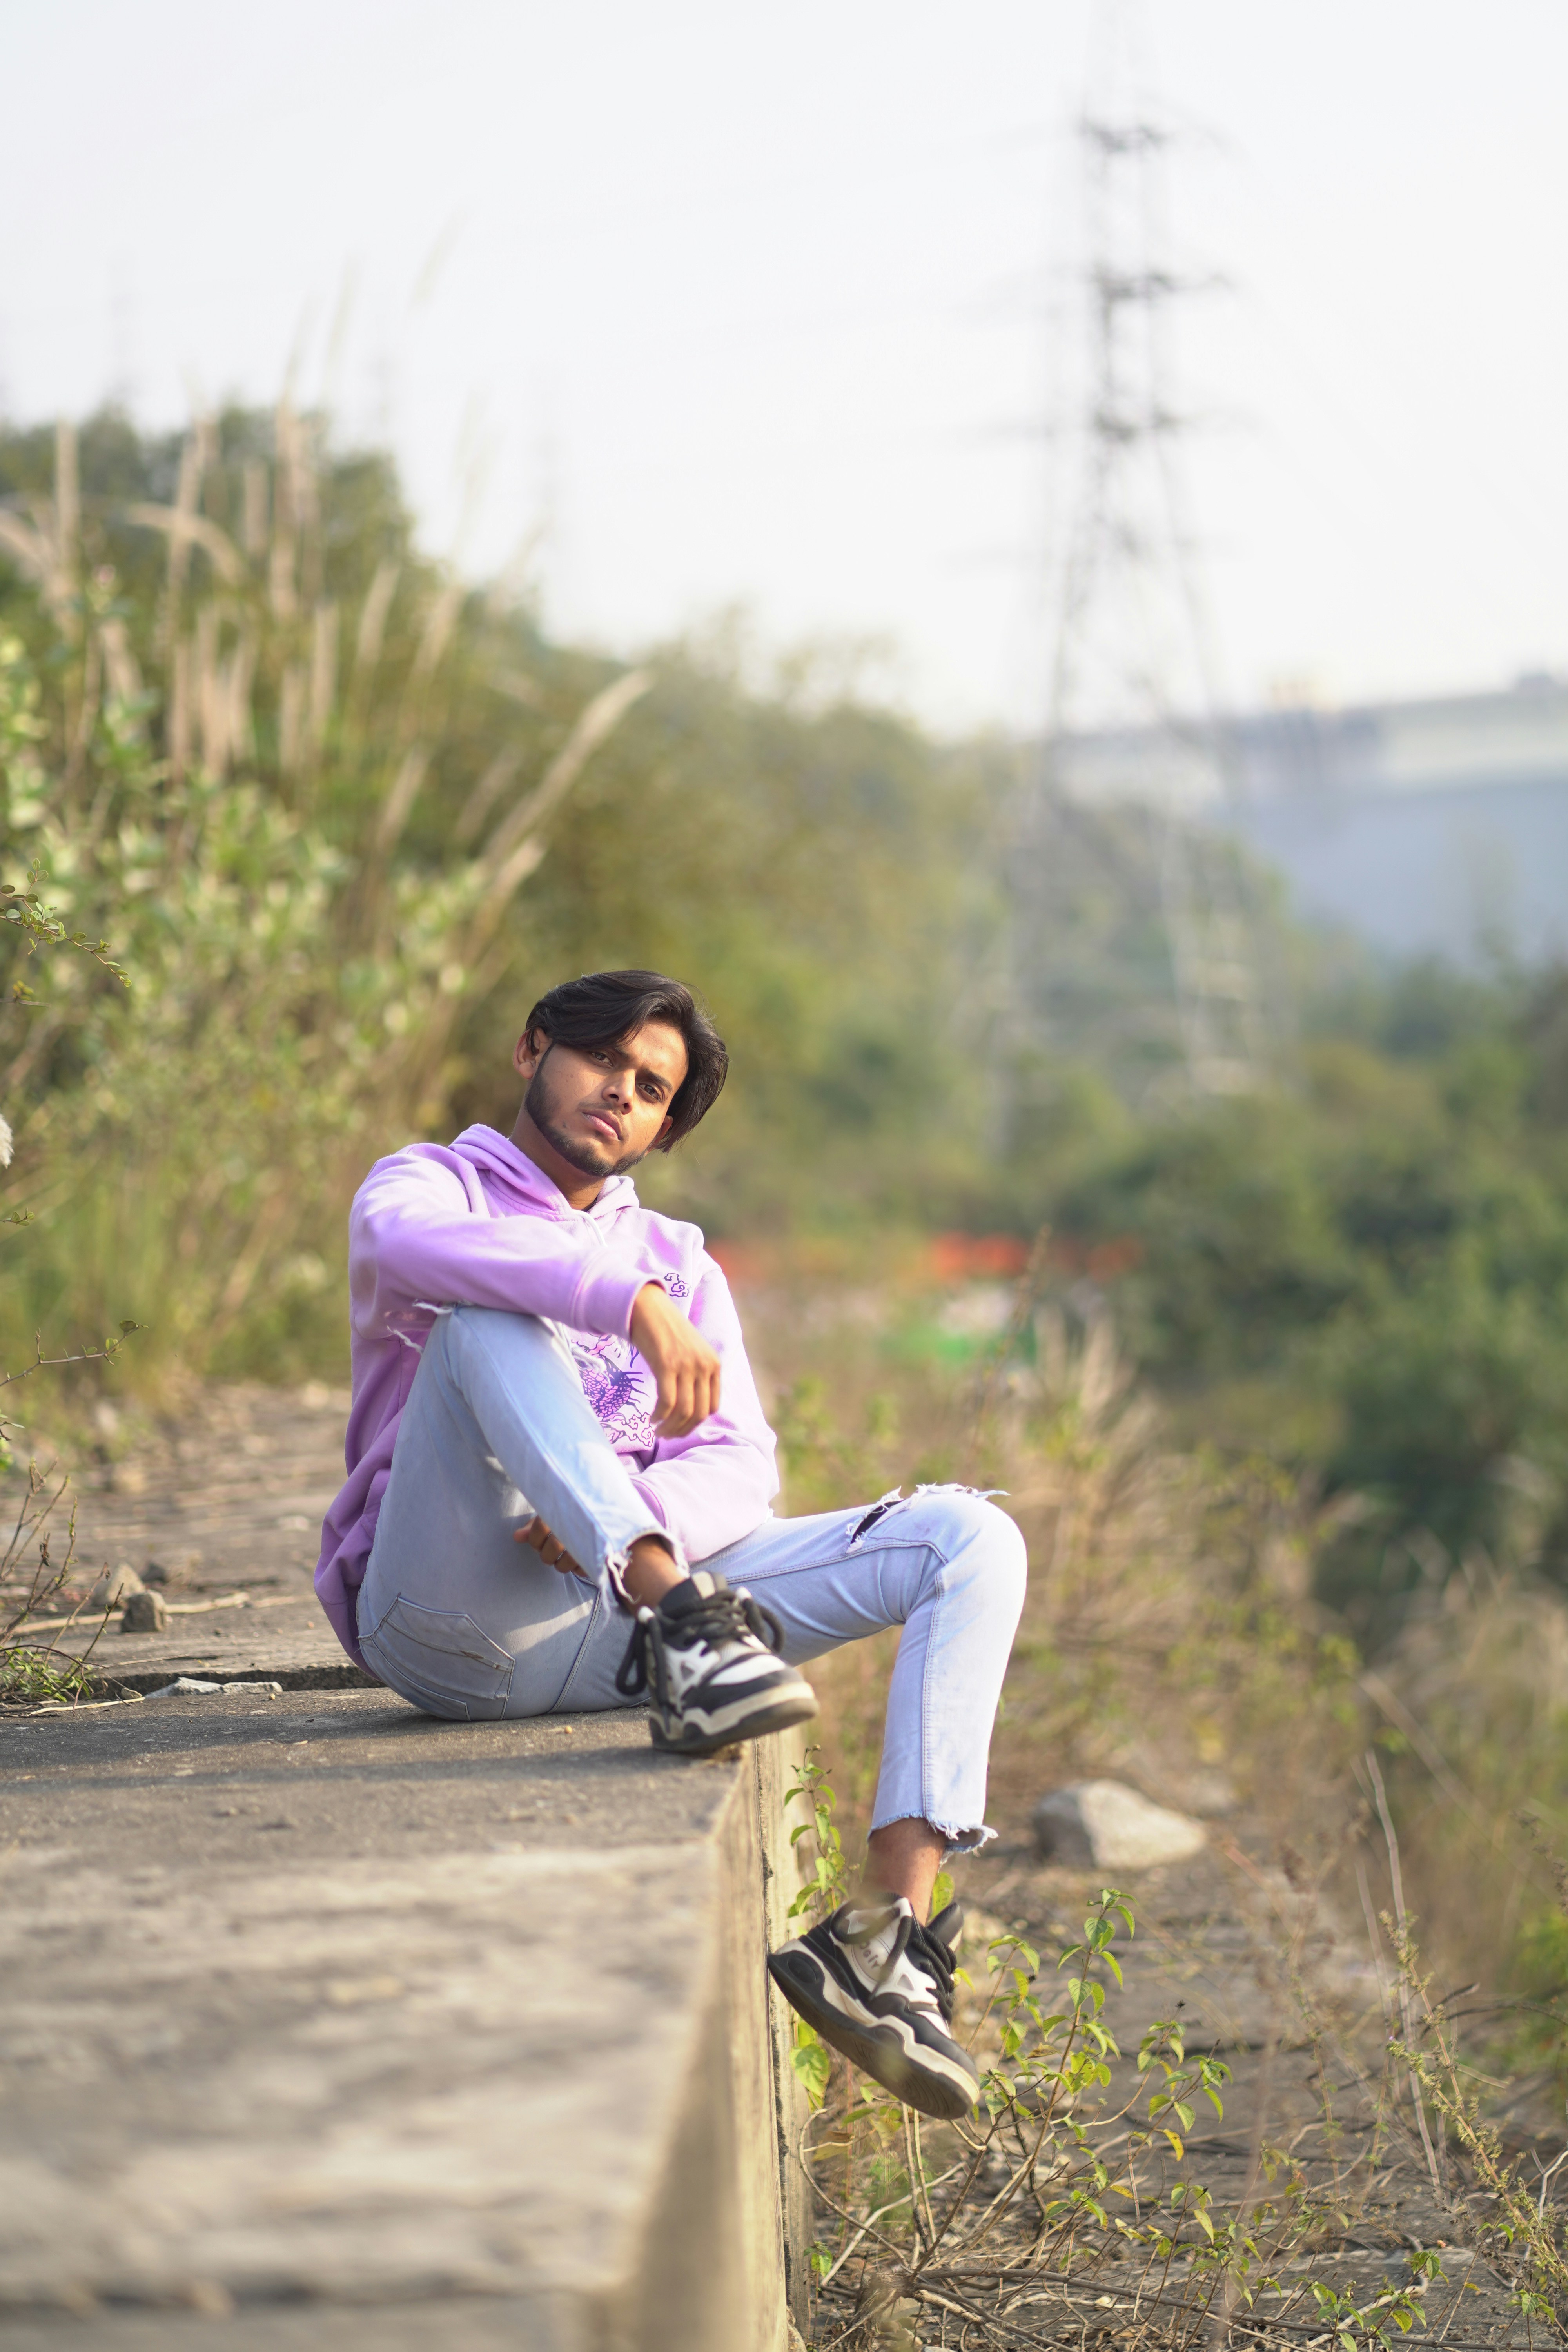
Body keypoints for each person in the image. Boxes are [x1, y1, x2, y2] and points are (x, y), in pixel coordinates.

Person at [315, 969, 1026, 2117]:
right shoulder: (429, 1185)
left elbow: (740, 1467)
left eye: (653, 1092)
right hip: (451, 1621)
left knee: (970, 1538)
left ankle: (882, 1941)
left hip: (606, 1630)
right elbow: (417, 1256)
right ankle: (691, 1626)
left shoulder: (687, 1261)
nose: (622, 1098)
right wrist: (627, 1302)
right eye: (605, 1061)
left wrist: (624, 1514)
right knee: (483, 1323)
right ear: (532, 1049)